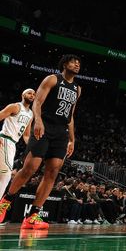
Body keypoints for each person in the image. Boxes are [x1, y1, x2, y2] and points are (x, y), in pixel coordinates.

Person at [0, 54, 81, 229]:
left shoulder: (77, 89)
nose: (77, 65)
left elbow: (71, 116)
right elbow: (38, 101)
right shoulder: (52, 79)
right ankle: (5, 201)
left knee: (52, 172)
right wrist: (38, 120)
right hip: (44, 127)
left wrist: (72, 140)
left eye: (78, 63)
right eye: (73, 62)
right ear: (64, 64)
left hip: (61, 133)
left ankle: (33, 216)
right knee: (30, 167)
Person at [0, 89, 35, 197]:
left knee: (3, 174)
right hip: (5, 140)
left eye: (34, 94)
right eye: (29, 93)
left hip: (12, 144)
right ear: (23, 94)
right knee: (5, 175)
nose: (32, 95)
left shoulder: (31, 114)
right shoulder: (15, 106)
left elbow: (26, 135)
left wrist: (33, 147)